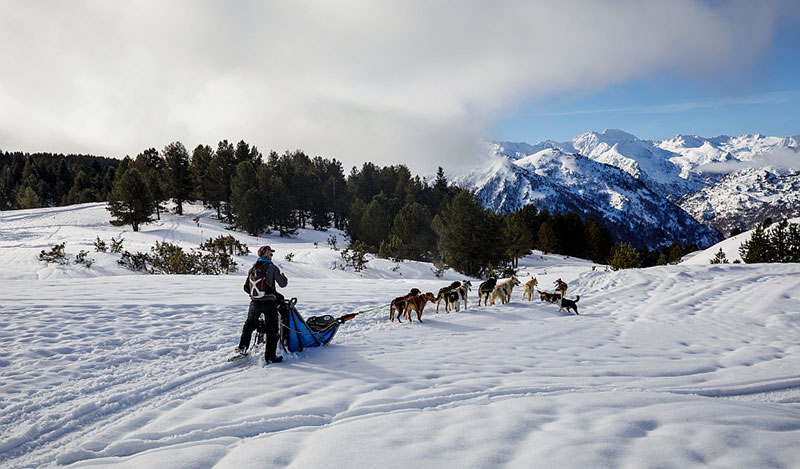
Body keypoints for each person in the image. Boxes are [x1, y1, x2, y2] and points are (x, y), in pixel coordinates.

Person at [237, 245, 288, 364]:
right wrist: (284, 279)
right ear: (267, 255)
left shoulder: (252, 269)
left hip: (254, 302)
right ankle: (270, 356)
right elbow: (282, 284)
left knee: (249, 326)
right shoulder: (272, 267)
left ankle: (242, 348)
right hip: (269, 303)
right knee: (272, 329)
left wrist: (257, 295)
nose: (271, 256)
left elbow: (246, 287)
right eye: (271, 254)